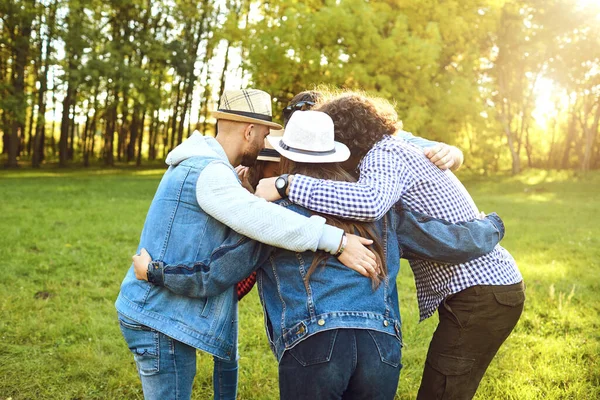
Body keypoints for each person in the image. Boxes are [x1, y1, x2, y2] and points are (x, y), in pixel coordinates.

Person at [131, 111, 508, 399]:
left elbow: (218, 271)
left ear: (284, 159)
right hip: (383, 348)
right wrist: (490, 227)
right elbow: (444, 240)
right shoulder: (378, 206)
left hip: (315, 341)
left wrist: (158, 272)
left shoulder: (277, 215)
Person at [115, 89, 380, 400]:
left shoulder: (210, 169)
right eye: (266, 133)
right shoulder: (208, 172)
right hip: (157, 315)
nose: (267, 142)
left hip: (163, 312)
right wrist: (337, 241)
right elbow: (261, 219)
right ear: (250, 130)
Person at [257, 92, 525, 400]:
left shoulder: (385, 156)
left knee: (444, 393)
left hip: (482, 290)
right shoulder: (390, 152)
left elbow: (370, 204)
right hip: (476, 290)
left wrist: (285, 185)